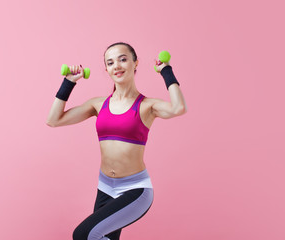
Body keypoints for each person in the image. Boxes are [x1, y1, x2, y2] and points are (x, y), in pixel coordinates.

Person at [46, 42, 187, 240]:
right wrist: (69, 82)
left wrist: (166, 70)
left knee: (83, 235)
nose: (117, 66)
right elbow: (53, 120)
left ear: (135, 63)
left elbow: (178, 107)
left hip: (135, 190)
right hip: (105, 187)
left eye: (123, 59)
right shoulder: (98, 104)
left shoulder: (147, 105)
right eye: (110, 63)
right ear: (106, 70)